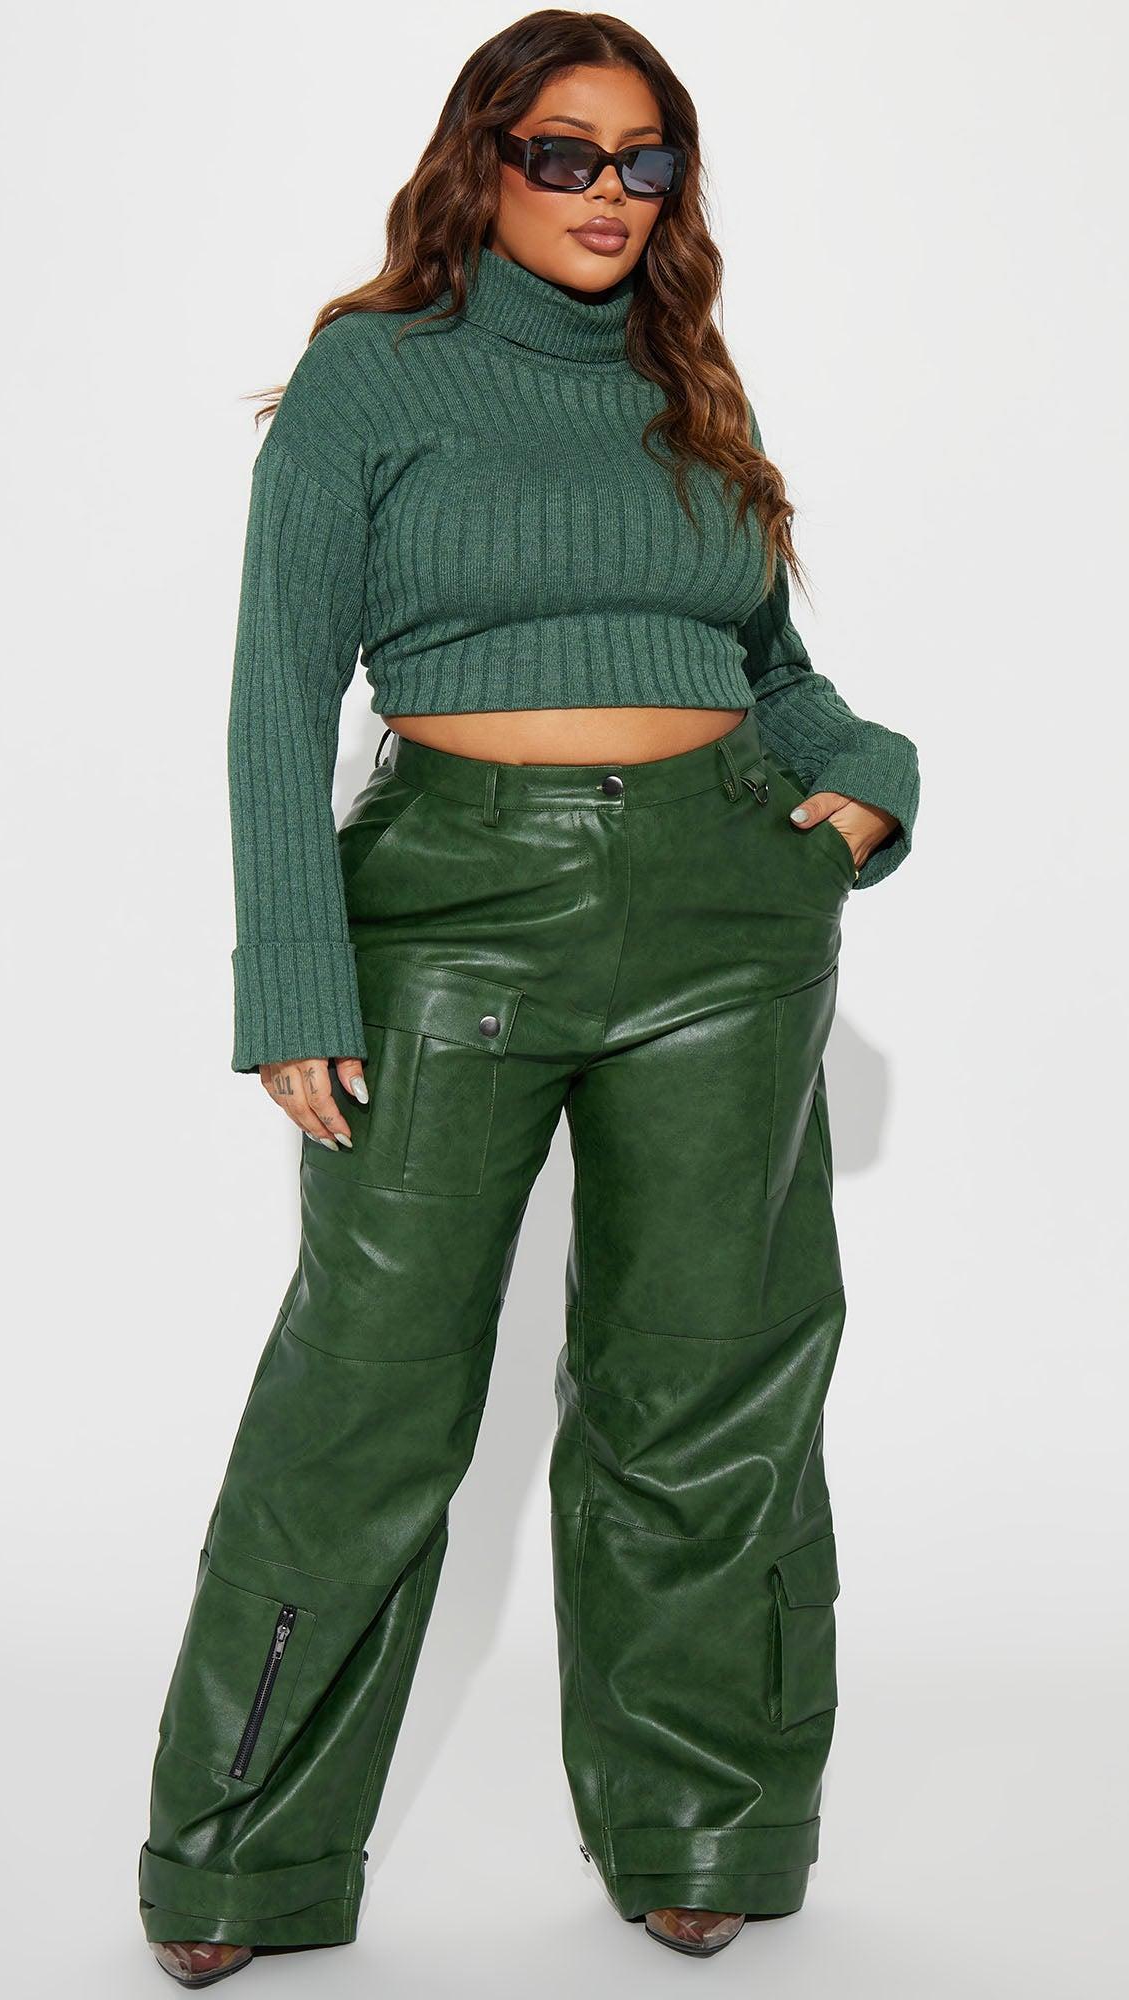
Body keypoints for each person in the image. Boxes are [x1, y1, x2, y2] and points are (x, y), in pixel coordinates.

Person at [139, 9, 920, 1982]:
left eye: (643, 158)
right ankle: (239, 1862)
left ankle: (702, 1825)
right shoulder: (372, 371)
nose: (606, 191)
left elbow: (769, 671)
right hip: (448, 917)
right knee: (368, 1396)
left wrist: (859, 785)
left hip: (726, 922)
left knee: (706, 1392)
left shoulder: (684, 383)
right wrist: (290, 969)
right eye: (562, 152)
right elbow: (275, 687)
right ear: (480, 163)